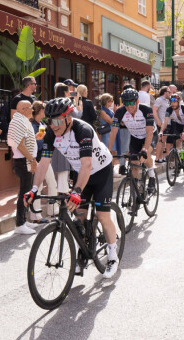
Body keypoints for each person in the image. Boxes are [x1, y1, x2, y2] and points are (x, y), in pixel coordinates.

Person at [24, 97, 119, 278]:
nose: (54, 125)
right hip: (80, 172)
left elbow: (87, 165)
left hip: (99, 171)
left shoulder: (82, 130)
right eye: (50, 120)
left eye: (58, 120)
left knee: (102, 215)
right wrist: (34, 189)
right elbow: (43, 163)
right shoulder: (51, 133)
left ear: (68, 117)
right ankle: (82, 255)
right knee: (80, 217)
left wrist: (76, 191)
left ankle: (113, 255)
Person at [108, 87, 156, 193]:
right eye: (126, 103)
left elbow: (149, 133)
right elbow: (113, 133)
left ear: (137, 101)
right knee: (134, 163)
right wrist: (108, 151)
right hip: (135, 137)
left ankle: (152, 176)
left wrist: (144, 149)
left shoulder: (146, 110)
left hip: (150, 135)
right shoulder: (120, 112)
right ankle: (135, 189)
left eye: (132, 103)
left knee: (145, 154)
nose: (129, 106)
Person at [8, 100, 39, 234]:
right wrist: (32, 159)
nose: (32, 110)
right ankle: (20, 224)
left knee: (26, 191)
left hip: (24, 160)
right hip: (23, 161)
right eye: (31, 108)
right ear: (24, 109)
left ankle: (23, 221)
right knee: (24, 193)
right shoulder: (18, 121)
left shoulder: (21, 120)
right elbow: (20, 144)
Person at [30, 101, 57, 222]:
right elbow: (36, 143)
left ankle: (53, 211)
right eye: (44, 110)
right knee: (38, 186)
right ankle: (36, 216)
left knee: (52, 183)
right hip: (38, 158)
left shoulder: (42, 123)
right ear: (40, 111)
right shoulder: (32, 125)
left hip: (44, 158)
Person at [160, 93, 184, 160]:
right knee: (177, 142)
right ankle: (180, 159)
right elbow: (165, 121)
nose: (173, 104)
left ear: (178, 102)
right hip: (179, 124)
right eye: (171, 102)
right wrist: (161, 131)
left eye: (175, 102)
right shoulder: (169, 109)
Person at [153, 86, 170, 163]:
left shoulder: (167, 100)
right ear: (165, 92)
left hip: (166, 123)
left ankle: (160, 157)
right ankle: (157, 158)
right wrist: (158, 121)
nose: (170, 93)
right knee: (161, 140)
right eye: (169, 92)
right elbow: (154, 110)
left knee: (163, 140)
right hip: (161, 123)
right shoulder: (159, 99)